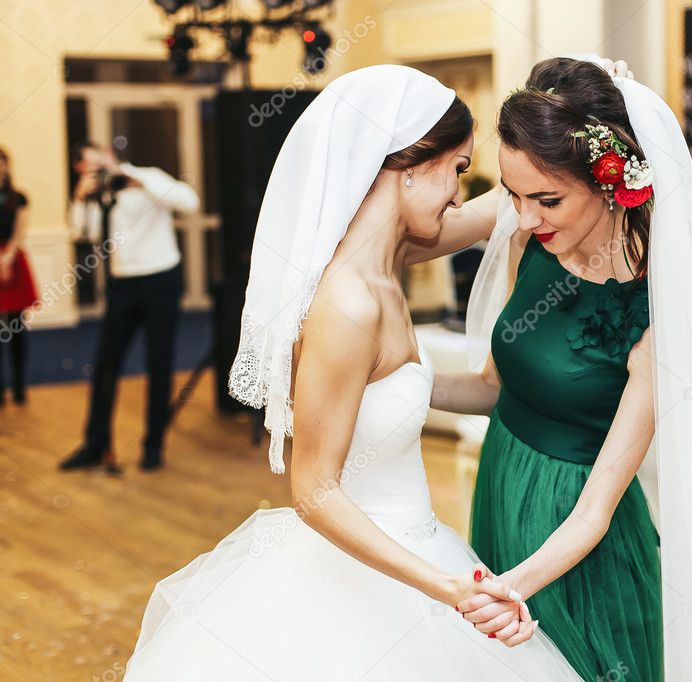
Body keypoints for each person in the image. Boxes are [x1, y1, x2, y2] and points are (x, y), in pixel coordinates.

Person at [121, 65, 582, 681]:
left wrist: (578, 112)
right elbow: (314, 491)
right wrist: (446, 589)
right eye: (458, 169)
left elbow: (504, 205)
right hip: (379, 572)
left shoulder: (386, 262)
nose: (456, 192)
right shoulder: (349, 303)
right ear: (409, 164)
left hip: (418, 544)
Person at [428, 56, 692, 681]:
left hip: (574, 542)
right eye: (512, 195)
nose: (521, 219)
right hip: (503, 483)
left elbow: (596, 510)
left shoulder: (660, 308)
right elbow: (496, 390)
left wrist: (505, 590)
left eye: (545, 199)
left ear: (612, 182)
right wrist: (399, 385)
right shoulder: (535, 239)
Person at [59, 143, 198, 472]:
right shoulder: (102, 195)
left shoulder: (147, 177)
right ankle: (95, 444)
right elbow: (82, 232)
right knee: (106, 366)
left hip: (160, 281)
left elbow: (189, 203)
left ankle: (153, 446)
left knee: (159, 365)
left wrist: (134, 177)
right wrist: (81, 197)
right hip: (122, 286)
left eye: (100, 163)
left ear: (110, 155)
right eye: (89, 169)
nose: (99, 171)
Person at [0, 146, 40, 405]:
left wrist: (7, 256)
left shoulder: (18, 197)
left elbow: (20, 229)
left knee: (16, 326)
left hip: (12, 260)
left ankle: (19, 384)